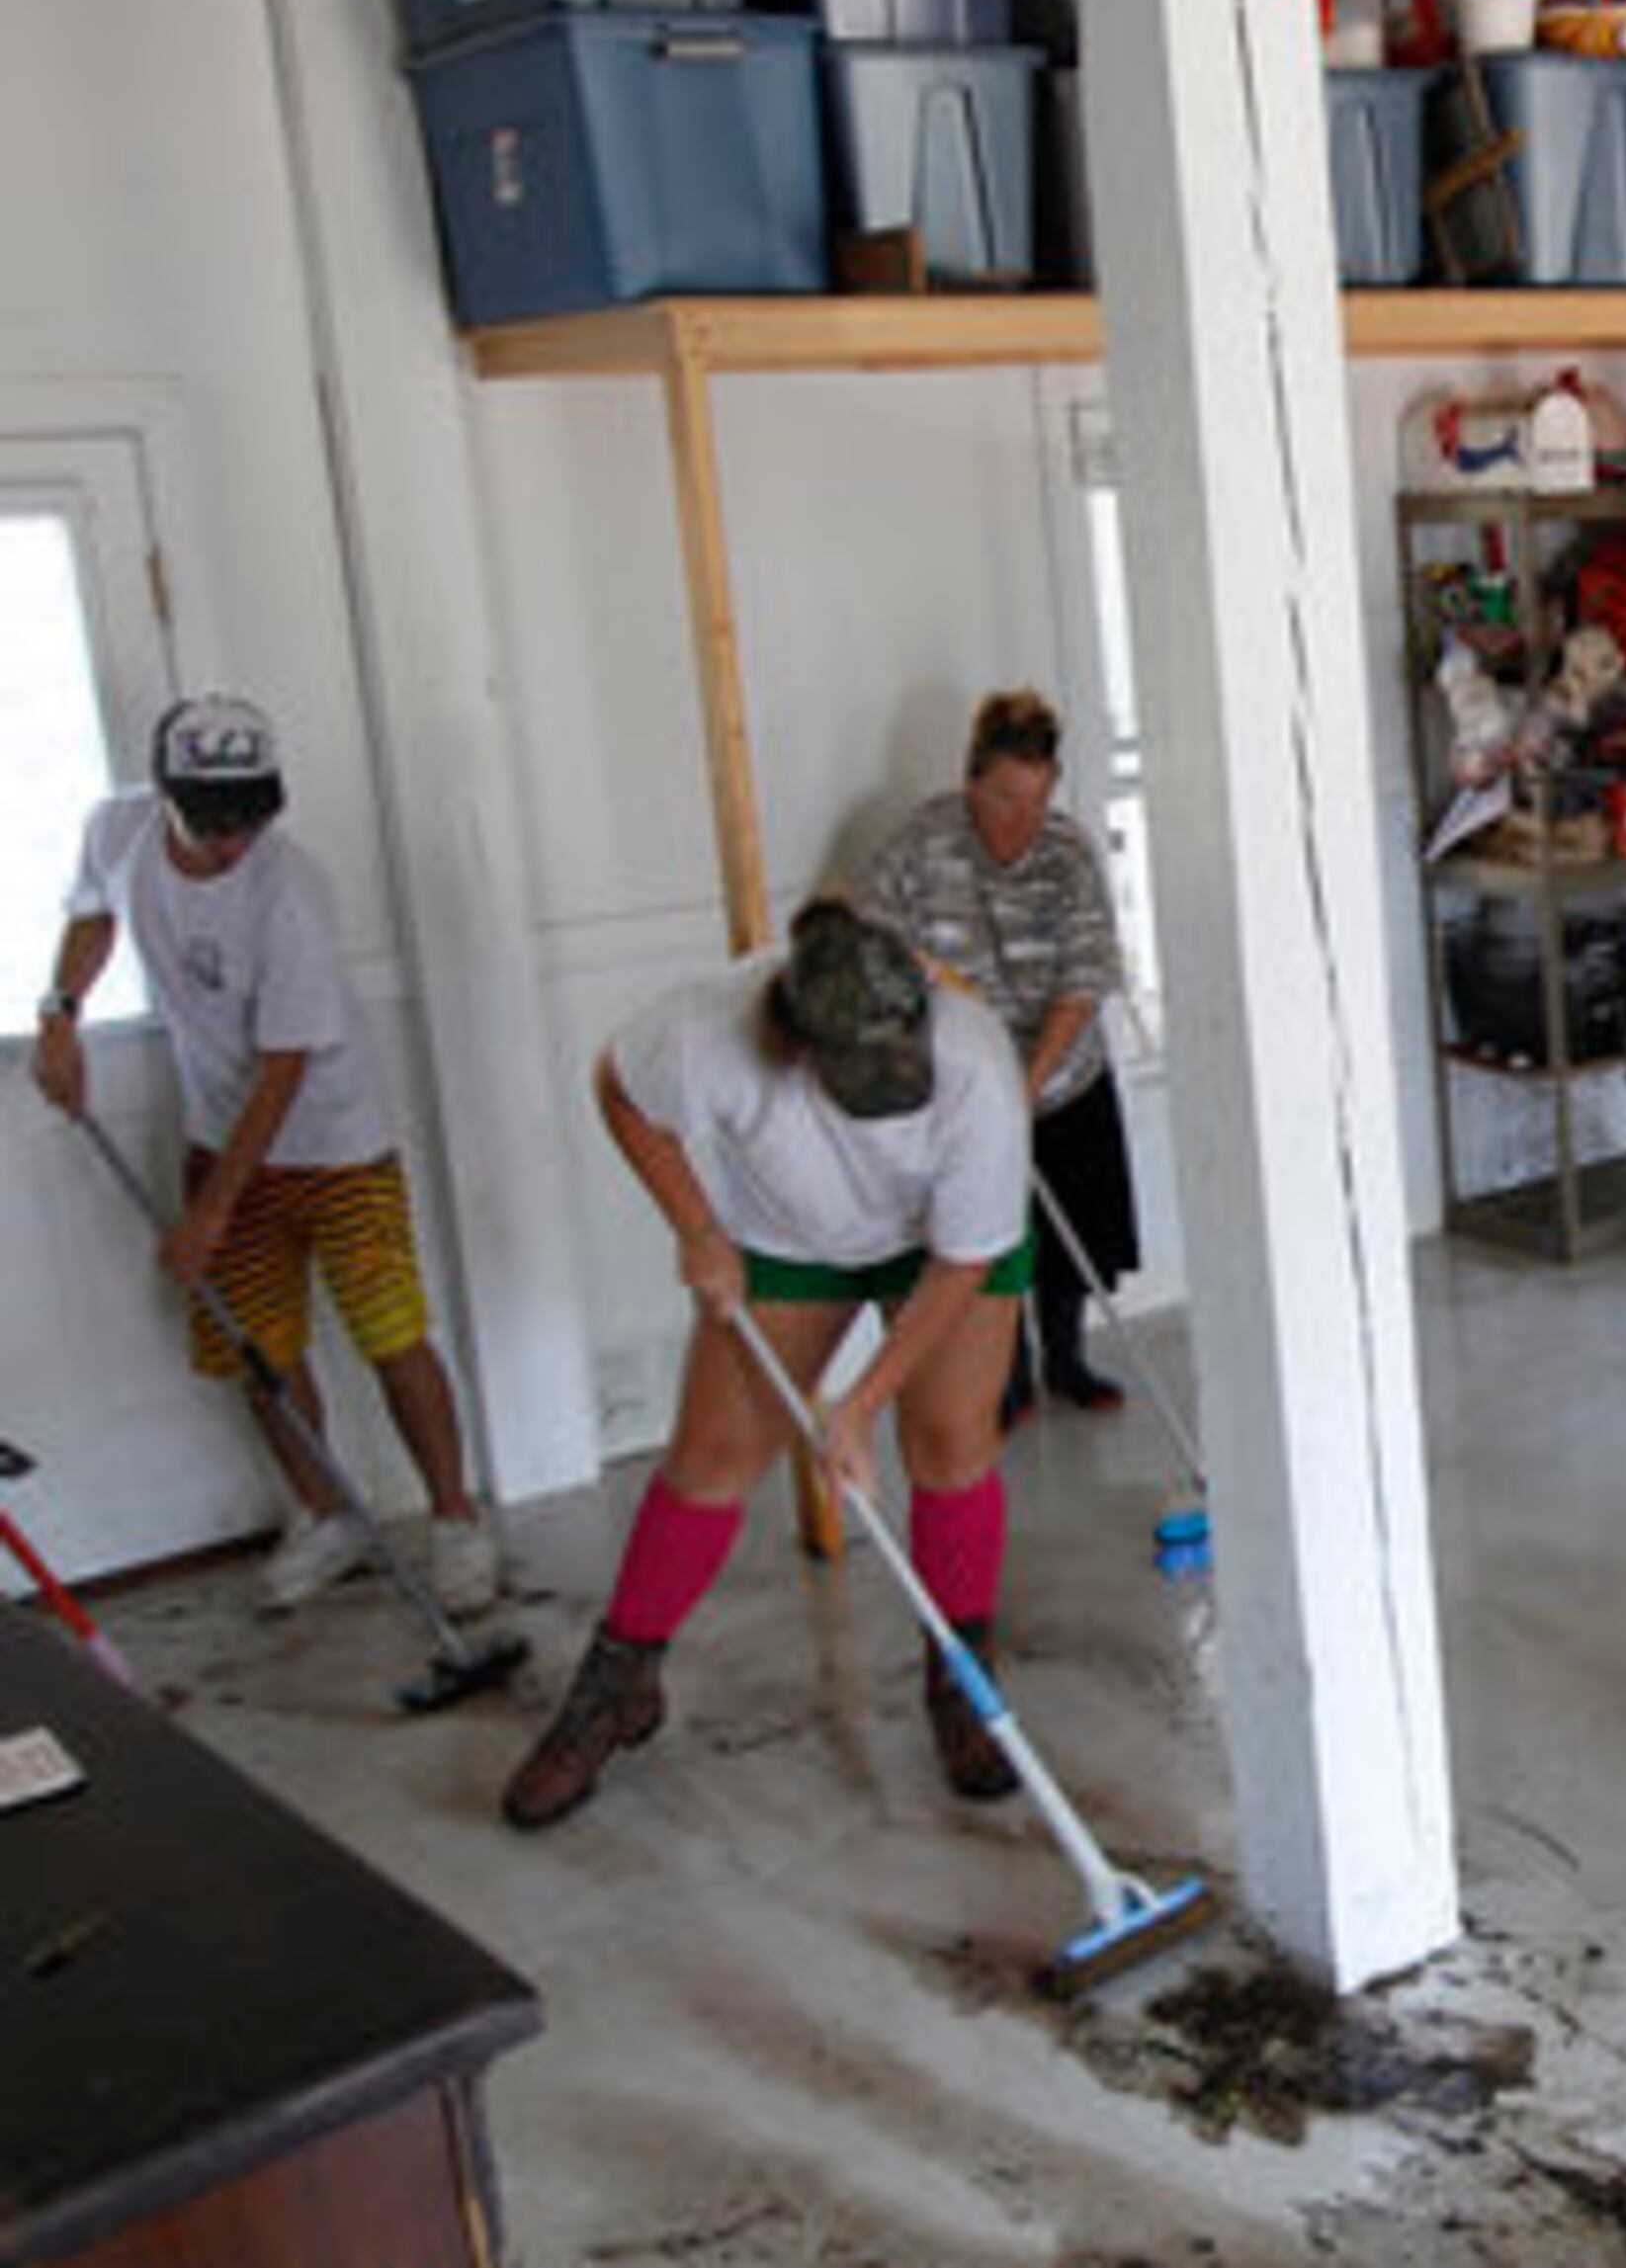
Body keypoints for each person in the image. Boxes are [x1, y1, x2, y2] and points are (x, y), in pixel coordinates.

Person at [502, 898, 1031, 1830]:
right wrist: (697, 1226)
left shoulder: (976, 1062)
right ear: (797, 1044)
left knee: (950, 1438)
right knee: (709, 1459)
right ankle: (618, 1683)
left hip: (941, 1245)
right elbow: (619, 1090)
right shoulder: (708, 1035)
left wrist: (859, 1404)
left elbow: (963, 1262)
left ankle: (962, 1680)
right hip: (791, 1234)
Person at [29, 696, 500, 1617]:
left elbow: (283, 1069)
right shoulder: (117, 830)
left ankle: (455, 1522)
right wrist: (59, 1014)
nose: (234, 840)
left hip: (335, 1145)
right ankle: (328, 1516)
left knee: (392, 1333)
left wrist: (208, 1212)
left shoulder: (289, 891)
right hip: (221, 1138)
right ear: (163, 793)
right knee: (262, 1350)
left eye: (251, 816)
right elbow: (92, 914)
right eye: (213, 820)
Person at [856, 690, 1139, 1421]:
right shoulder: (922, 845)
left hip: (1062, 1071)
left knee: (1074, 1229)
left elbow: (1085, 975)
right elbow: (872, 945)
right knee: (983, 1234)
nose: (1022, 819)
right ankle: (1004, 1374)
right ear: (973, 777)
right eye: (1007, 796)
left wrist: (1030, 1084)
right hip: (962, 1087)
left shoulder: (1067, 850)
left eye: (1038, 799)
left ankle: (1067, 1359)